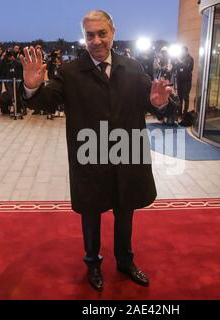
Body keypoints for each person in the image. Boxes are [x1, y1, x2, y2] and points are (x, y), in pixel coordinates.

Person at [21, 10, 171, 292]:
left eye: (102, 33)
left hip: (127, 155)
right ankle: (92, 264)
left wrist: (159, 103)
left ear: (113, 33)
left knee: (125, 212)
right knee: (91, 215)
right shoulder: (69, 72)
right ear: (84, 37)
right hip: (89, 157)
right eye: (90, 35)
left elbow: (151, 100)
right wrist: (31, 86)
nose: (97, 40)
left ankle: (125, 261)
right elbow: (46, 101)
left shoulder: (134, 67)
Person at [174, 46, 194, 114]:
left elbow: (189, 68)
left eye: (183, 51)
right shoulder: (179, 58)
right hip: (179, 80)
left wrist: (181, 62)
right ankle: (179, 112)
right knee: (179, 97)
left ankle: (185, 112)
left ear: (186, 51)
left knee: (186, 97)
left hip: (187, 81)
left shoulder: (190, 59)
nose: (182, 53)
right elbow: (176, 68)